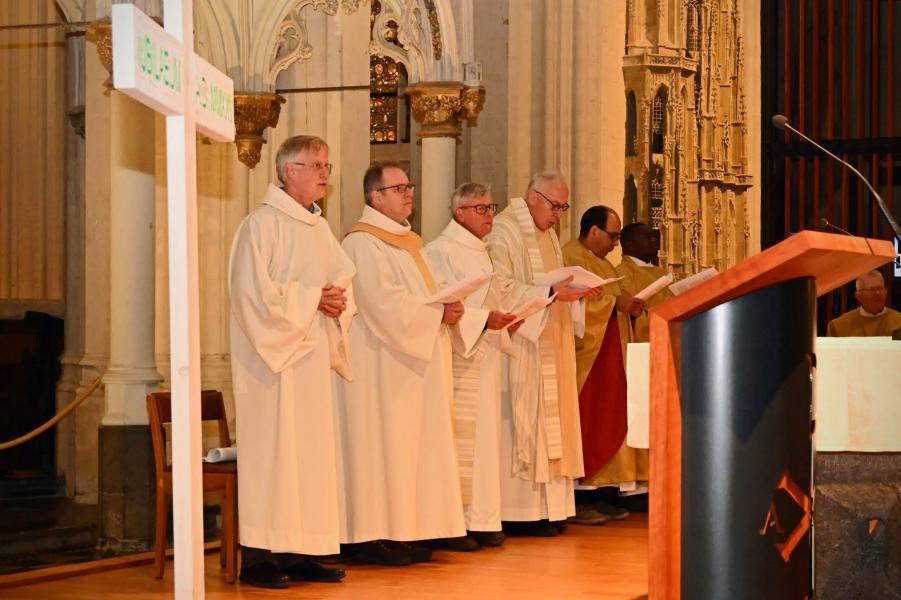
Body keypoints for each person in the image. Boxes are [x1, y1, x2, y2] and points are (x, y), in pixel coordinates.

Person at [228, 135, 354, 589]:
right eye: (315, 164)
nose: (324, 172)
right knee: (275, 458)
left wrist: (339, 302)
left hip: (312, 359)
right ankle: (260, 559)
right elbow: (250, 297)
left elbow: (341, 280)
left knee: (309, 458)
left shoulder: (318, 227)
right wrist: (311, 301)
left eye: (326, 164)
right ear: (288, 170)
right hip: (273, 366)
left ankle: (302, 550)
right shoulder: (260, 225)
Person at [336, 161, 467, 566]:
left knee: (408, 452)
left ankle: (405, 530)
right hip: (381, 369)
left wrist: (446, 306)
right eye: (399, 188)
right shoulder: (361, 243)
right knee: (381, 450)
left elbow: (415, 297)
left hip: (410, 365)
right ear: (376, 197)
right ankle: (372, 535)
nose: (409, 193)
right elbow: (382, 303)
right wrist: (436, 314)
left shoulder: (408, 241)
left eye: (410, 186)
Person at [486, 169, 602, 536]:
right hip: (523, 343)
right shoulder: (505, 229)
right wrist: (552, 296)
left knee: (554, 421)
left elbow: (555, 281)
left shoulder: (548, 233)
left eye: (564, 208)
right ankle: (519, 512)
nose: (558, 215)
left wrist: (576, 291)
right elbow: (499, 286)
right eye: (555, 206)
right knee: (524, 421)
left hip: (551, 338)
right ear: (533, 196)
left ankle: (549, 510)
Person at [423, 183, 521, 549]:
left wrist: (508, 317)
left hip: (485, 354)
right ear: (459, 212)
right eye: (480, 209)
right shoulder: (439, 251)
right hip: (460, 358)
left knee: (484, 443)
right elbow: (442, 304)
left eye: (491, 207)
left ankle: (483, 517)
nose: (488, 215)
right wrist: (482, 319)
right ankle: (458, 522)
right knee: (462, 441)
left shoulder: (484, 252)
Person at [563, 206, 646, 524]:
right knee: (588, 423)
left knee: (608, 421)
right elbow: (573, 303)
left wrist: (627, 304)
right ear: (593, 231)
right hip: (588, 361)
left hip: (609, 355)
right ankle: (580, 496)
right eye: (613, 236)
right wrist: (614, 303)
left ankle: (600, 492)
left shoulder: (602, 263)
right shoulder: (571, 256)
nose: (616, 243)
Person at [615, 222, 674, 343]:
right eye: (647, 237)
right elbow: (632, 315)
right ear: (629, 245)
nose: (654, 240)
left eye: (653, 235)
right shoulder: (621, 273)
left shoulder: (661, 272)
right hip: (647, 341)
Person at [827, 270, 901, 337]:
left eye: (880, 288)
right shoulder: (838, 326)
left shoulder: (898, 321)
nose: (877, 293)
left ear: (886, 292)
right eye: (871, 290)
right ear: (858, 295)